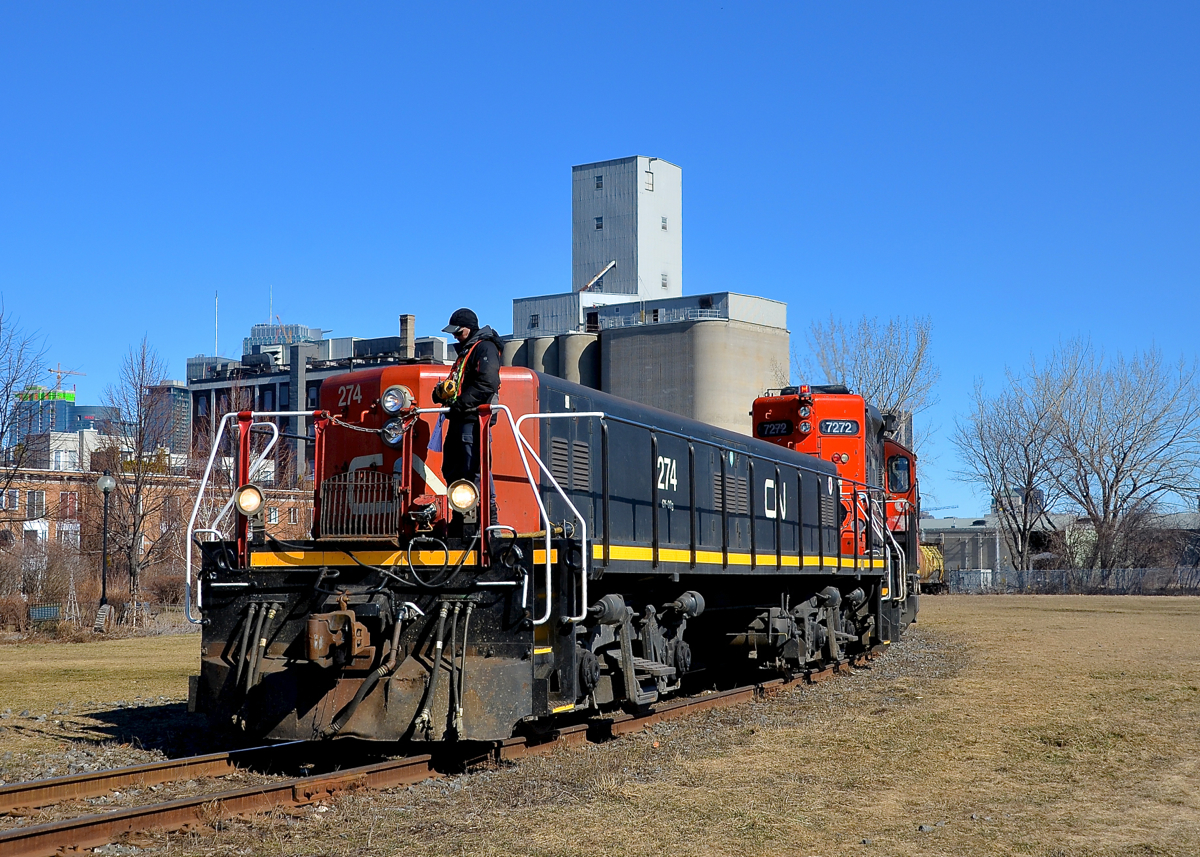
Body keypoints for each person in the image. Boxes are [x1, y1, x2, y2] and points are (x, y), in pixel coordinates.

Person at [436, 308, 503, 517]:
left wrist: (461, 403)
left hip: (473, 420)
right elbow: (459, 383)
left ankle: (484, 519)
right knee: (453, 468)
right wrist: (441, 393)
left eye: (458, 332)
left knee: (473, 469)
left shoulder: (484, 348)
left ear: (469, 329)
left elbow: (488, 382)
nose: (455, 337)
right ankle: (461, 515)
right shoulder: (467, 352)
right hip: (459, 418)